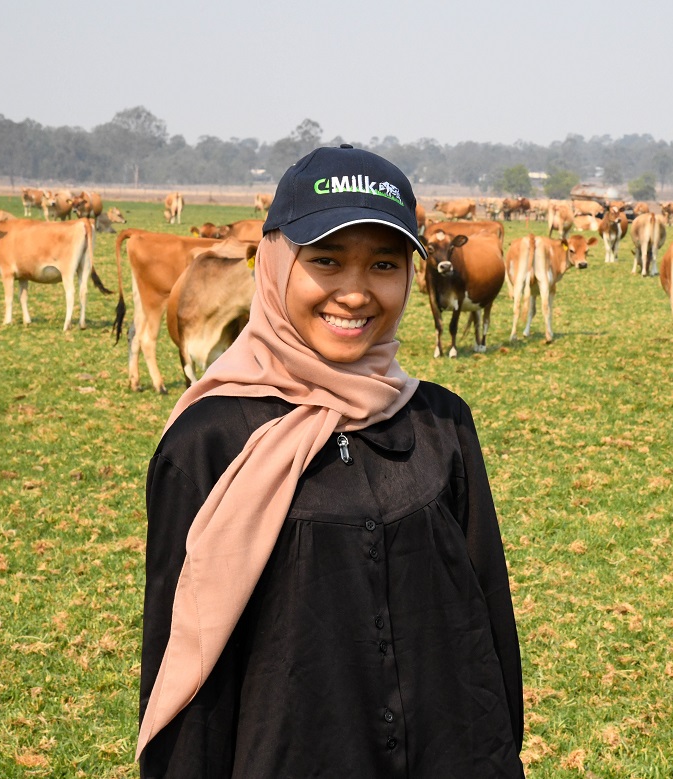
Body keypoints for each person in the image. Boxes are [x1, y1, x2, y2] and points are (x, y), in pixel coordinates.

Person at [137, 145, 524, 777]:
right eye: (325, 260)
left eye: (382, 263)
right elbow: (183, 666)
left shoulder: (441, 424)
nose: (354, 293)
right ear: (276, 265)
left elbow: (488, 626)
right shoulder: (208, 442)